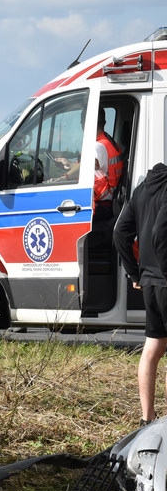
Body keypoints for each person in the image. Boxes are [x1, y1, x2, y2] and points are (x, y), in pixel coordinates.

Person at [113, 163, 167, 425]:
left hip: (149, 283)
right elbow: (160, 232)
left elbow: (120, 233)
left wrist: (135, 274)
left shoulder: (142, 189)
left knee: (152, 348)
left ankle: (148, 419)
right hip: (165, 281)